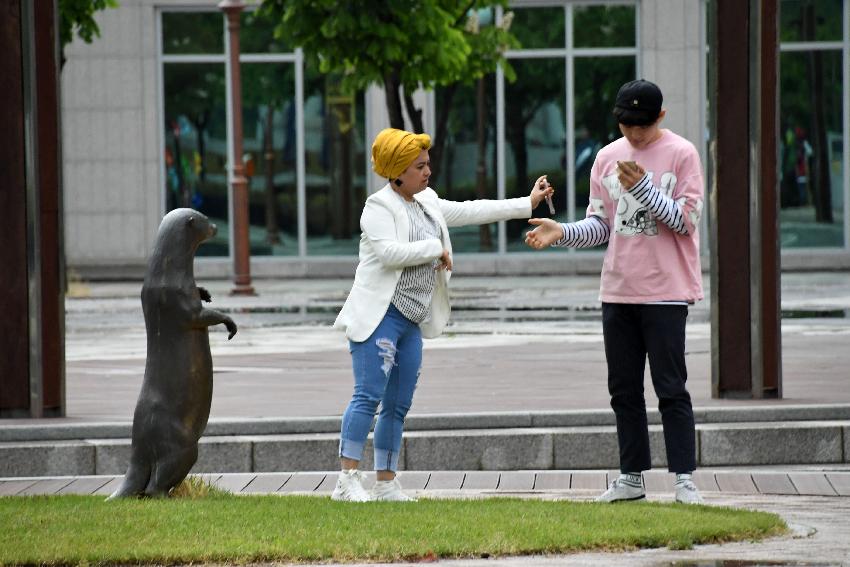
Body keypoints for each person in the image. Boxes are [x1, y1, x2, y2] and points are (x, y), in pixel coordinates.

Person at [331, 127, 554, 502]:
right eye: (419, 166)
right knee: (368, 396)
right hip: (379, 317)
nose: (427, 171)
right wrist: (434, 247)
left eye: (427, 164)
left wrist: (526, 204)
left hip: (410, 321)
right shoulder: (378, 207)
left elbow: (471, 210)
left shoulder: (427, 201)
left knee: (398, 404)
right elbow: (389, 253)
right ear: (398, 170)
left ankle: (385, 483)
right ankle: (346, 481)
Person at [525, 79, 705, 505]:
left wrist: (643, 188)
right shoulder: (606, 157)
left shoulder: (683, 154)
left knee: (671, 388)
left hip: (665, 292)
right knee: (623, 390)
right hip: (619, 291)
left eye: (641, 125)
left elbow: (685, 222)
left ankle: (684, 478)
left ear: (660, 117)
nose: (633, 134)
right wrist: (562, 232)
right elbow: (602, 227)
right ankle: (631, 477)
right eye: (626, 124)